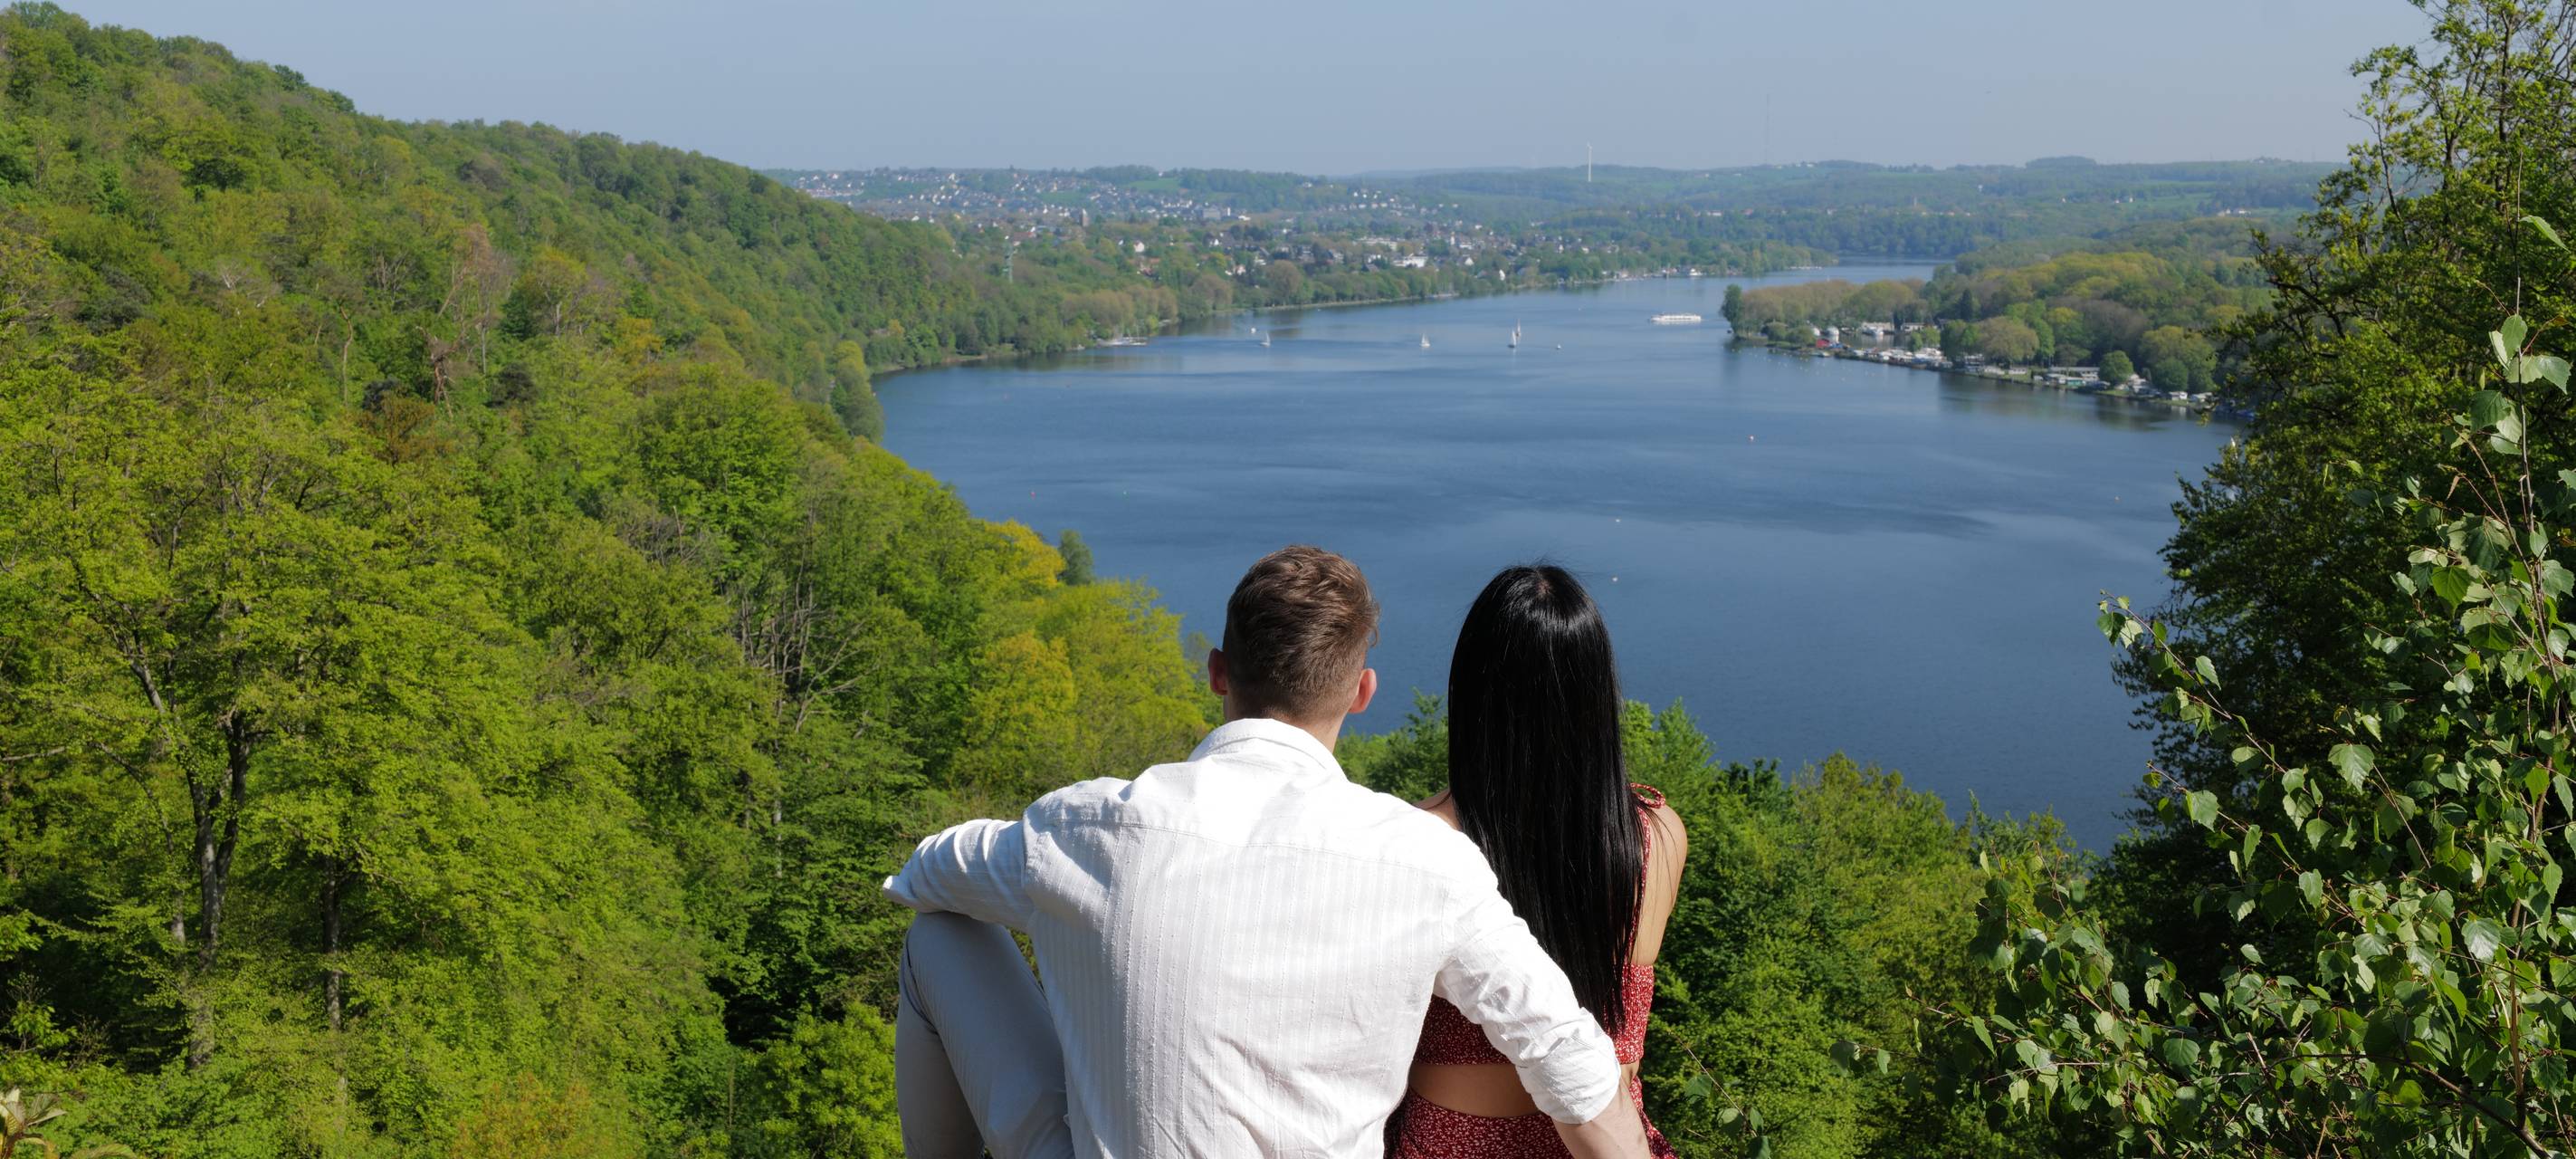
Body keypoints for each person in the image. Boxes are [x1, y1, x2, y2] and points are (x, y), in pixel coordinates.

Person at [883, 545, 1655, 1159]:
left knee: (938, 932)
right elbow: (1568, 1055)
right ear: (1362, 692)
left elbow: (926, 873)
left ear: (1218, 672)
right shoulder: (1424, 862)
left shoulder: (1085, 828)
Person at [1388, 564, 1687, 1158]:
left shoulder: (1415, 842)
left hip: (1456, 1142)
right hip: (1606, 1142)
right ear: (1596, 695)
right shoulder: (1656, 833)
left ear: (1470, 695)